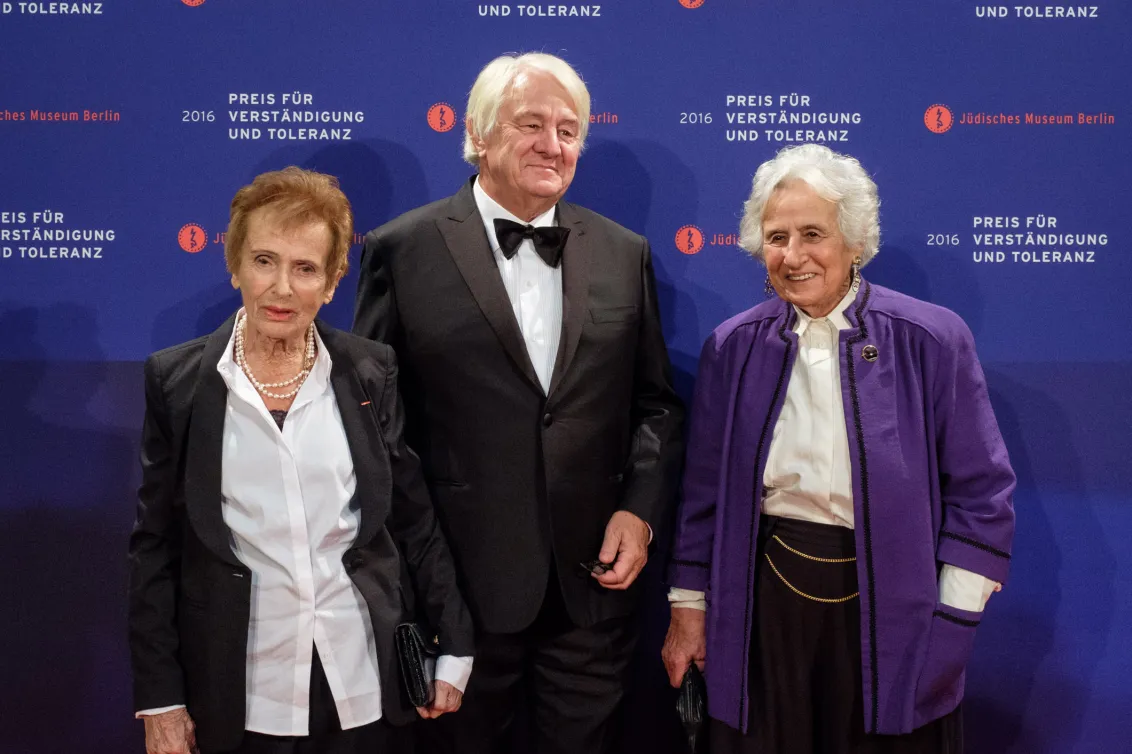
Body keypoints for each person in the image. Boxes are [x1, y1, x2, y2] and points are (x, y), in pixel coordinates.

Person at [352, 53, 684, 754]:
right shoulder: (401, 250)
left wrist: (639, 510)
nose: (552, 144)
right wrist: (427, 575)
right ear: (476, 134)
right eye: (530, 124)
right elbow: (378, 423)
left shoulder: (627, 253)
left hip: (592, 592)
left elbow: (655, 404)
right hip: (458, 596)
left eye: (568, 130)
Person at [662, 144, 1016, 754]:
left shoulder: (931, 337)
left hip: (899, 605)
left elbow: (982, 493)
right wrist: (688, 608)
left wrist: (951, 621)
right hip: (763, 601)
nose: (793, 256)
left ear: (854, 241)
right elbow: (703, 496)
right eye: (776, 237)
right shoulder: (733, 347)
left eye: (812, 234)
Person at [128, 167, 474, 754]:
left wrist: (455, 642)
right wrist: (162, 698)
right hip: (241, 692)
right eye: (264, 260)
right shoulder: (178, 384)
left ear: (334, 282)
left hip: (366, 680)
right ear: (234, 263)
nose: (282, 288)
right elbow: (156, 546)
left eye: (306, 268)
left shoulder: (370, 371)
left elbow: (412, 519)